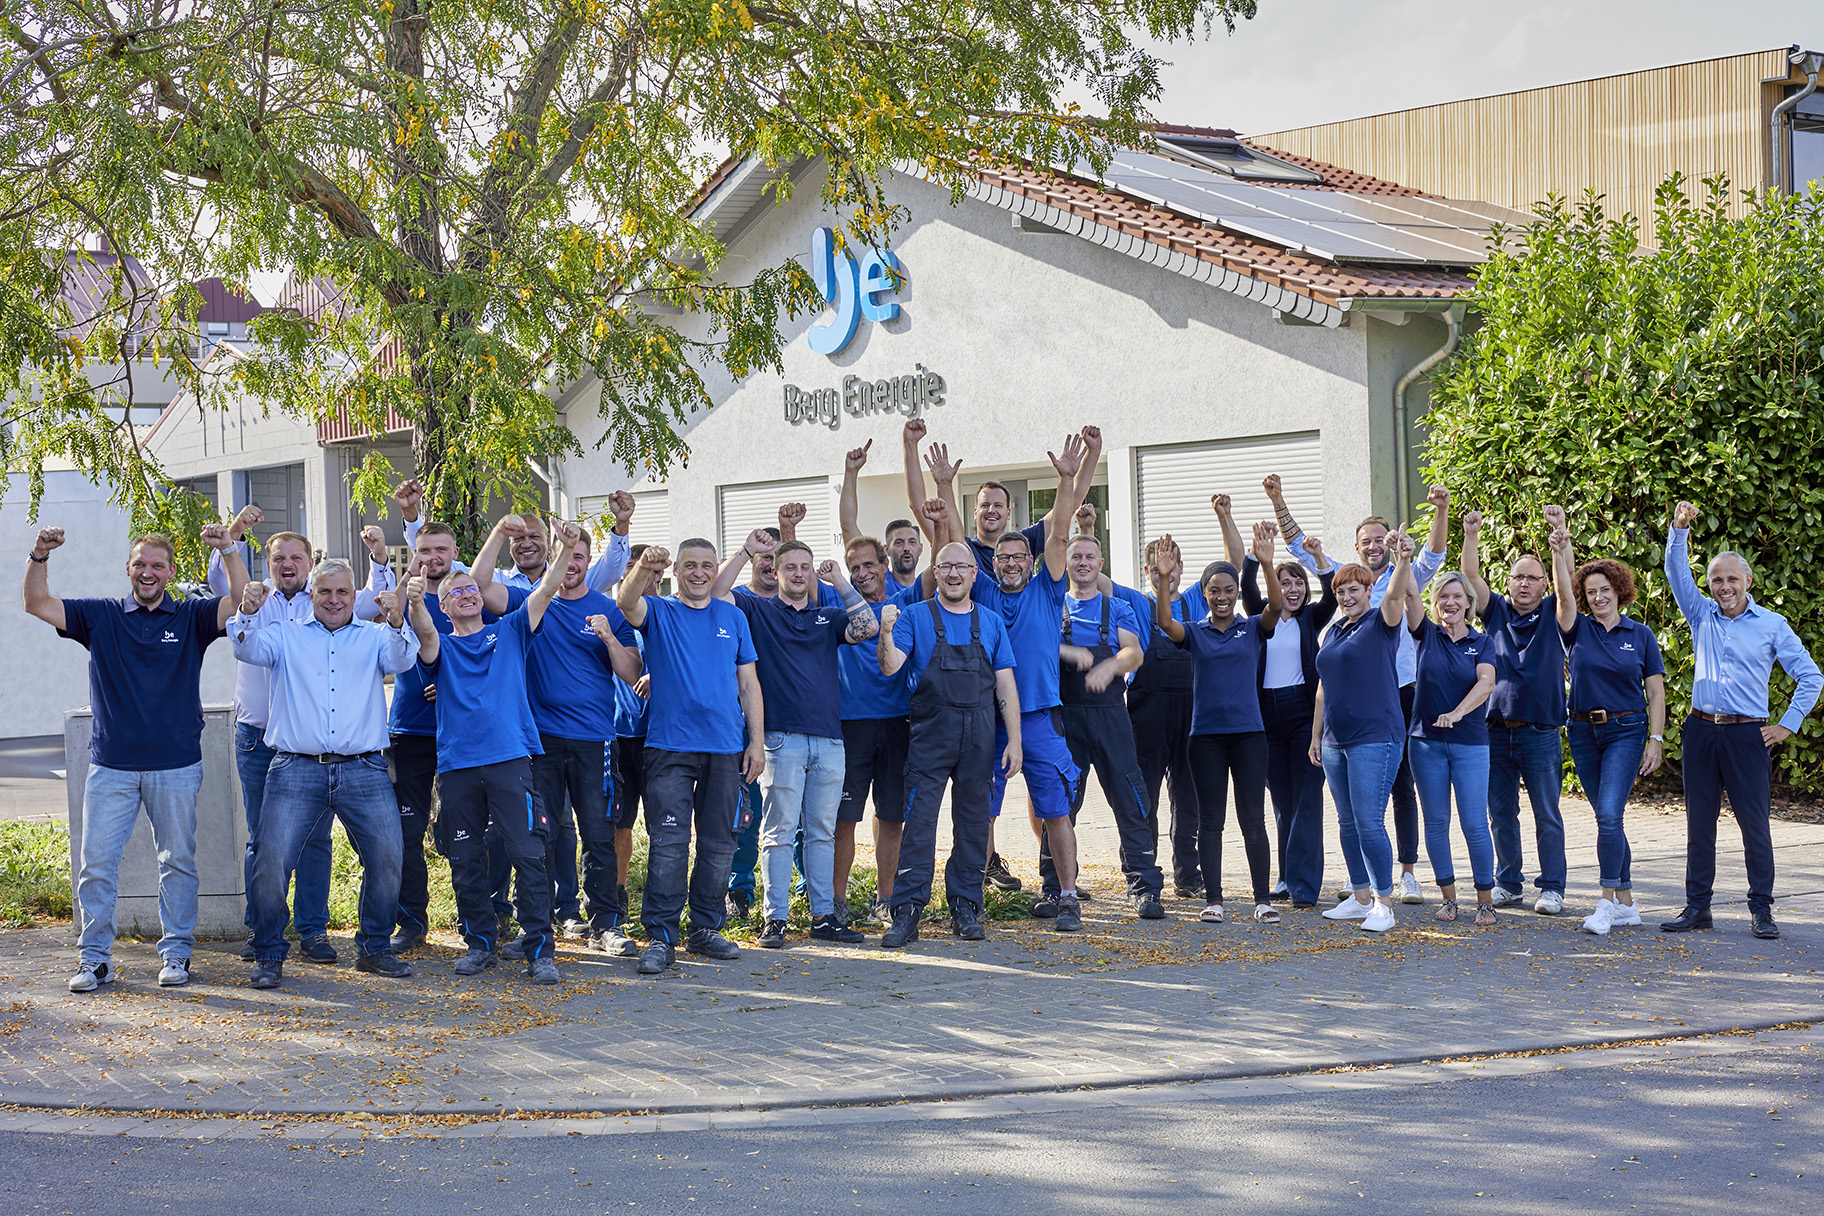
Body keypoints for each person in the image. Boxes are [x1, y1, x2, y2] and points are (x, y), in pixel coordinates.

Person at [26, 524, 249, 992]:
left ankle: (176, 954)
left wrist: (228, 549)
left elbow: (241, 603)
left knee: (177, 861)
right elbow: (37, 604)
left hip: (176, 763)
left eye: (157, 565)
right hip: (111, 765)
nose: (148, 572)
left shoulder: (191, 617)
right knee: (97, 864)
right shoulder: (101, 616)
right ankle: (95, 960)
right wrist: (40, 554)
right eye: (140, 564)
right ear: (128, 569)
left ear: (170, 572)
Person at [210, 509, 395, 965]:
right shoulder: (260, 600)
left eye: (297, 556)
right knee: (266, 845)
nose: (287, 564)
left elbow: (377, 601)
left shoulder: (337, 608)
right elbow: (229, 596)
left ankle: (313, 931)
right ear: (269, 564)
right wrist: (233, 541)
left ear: (310, 565)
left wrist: (379, 558)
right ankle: (264, 937)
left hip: (338, 753)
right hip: (265, 740)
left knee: (317, 842)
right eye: (278, 558)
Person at [405, 522, 582, 986]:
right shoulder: (439, 645)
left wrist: (563, 549)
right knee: (465, 859)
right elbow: (422, 631)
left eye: (470, 588)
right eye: (455, 592)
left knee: (529, 854)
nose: (466, 594)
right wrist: (415, 597)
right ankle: (481, 944)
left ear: (482, 596)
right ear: (444, 606)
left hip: (510, 761)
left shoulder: (511, 631)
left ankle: (540, 950)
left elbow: (545, 591)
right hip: (458, 768)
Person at [229, 560, 418, 989]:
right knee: (272, 860)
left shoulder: (374, 637)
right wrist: (248, 610)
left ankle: (373, 947)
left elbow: (404, 658)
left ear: (355, 596)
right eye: (325, 593)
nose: (334, 600)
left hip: (364, 768)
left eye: (342, 593)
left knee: (388, 857)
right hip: (295, 767)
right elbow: (245, 647)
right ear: (311, 597)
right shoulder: (285, 635)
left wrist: (395, 619)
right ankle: (269, 953)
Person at [1272, 478, 1450, 903]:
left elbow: (1434, 553)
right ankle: (1362, 890)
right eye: (1365, 541)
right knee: (1351, 815)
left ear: (1388, 543)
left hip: (1401, 691)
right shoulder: (1343, 603)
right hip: (1346, 711)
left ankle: (1405, 874)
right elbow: (1301, 548)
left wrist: (1438, 513)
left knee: (1402, 789)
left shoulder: (1398, 583)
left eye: (1378, 539)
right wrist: (1278, 499)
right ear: (1356, 549)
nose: (1372, 546)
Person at [474, 522, 645, 958]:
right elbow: (479, 585)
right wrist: (497, 534)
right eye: (565, 556)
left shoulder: (608, 609)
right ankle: (537, 929)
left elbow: (630, 672)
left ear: (590, 564)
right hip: (538, 741)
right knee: (537, 838)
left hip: (595, 740)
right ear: (553, 559)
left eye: (580, 558)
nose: (572, 565)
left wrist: (607, 635)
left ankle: (604, 923)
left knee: (598, 834)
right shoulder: (532, 602)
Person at [947, 433, 1092, 930]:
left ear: (1031, 564)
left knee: (1055, 811)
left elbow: (1058, 532)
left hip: (1038, 719)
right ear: (992, 564)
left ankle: (1067, 896)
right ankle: (972, 897)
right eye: (1002, 557)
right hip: (986, 720)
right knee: (978, 810)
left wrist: (1067, 479)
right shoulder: (983, 590)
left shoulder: (1049, 592)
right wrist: (946, 486)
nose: (1010, 562)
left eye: (1018, 557)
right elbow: (949, 534)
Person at [1660, 501, 1821, 940]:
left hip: (1749, 734)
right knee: (1699, 823)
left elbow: (1810, 676)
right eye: (1717, 580)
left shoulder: (1772, 625)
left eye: (1732, 578)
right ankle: (1698, 908)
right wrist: (1679, 531)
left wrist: (1787, 724)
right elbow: (1677, 574)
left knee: (1755, 824)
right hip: (1700, 730)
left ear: (1748, 581)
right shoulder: (1701, 615)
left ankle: (1762, 910)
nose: (1724, 586)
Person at [712, 532, 878, 949]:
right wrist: (747, 552)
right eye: (790, 567)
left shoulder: (827, 615)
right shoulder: (758, 609)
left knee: (822, 832)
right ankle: (776, 920)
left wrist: (840, 581)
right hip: (780, 740)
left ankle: (823, 917)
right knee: (778, 831)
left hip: (829, 740)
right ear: (776, 571)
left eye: (805, 567)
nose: (799, 574)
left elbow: (868, 626)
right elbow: (716, 594)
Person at [367, 515, 525, 951]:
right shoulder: (407, 595)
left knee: (492, 830)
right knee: (407, 829)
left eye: (441, 549)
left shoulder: (467, 594)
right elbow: (395, 631)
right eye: (424, 551)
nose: (433, 557)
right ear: (413, 556)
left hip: (470, 739)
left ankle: (492, 912)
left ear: (455, 553)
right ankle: (412, 921)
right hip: (412, 730)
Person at [616, 541, 765, 975]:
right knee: (669, 844)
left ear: (716, 569)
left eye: (707, 566)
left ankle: (705, 928)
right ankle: (661, 936)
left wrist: (755, 741)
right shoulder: (659, 611)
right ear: (677, 571)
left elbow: (749, 684)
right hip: (669, 747)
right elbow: (626, 602)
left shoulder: (733, 617)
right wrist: (644, 566)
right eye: (690, 566)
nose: (699, 573)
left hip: (725, 747)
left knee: (720, 843)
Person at [875, 540, 1022, 947]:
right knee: (918, 824)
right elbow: (889, 666)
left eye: (962, 567)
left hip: (979, 737)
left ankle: (964, 906)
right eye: (946, 567)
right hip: (929, 736)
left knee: (974, 825)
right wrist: (886, 631)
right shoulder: (914, 617)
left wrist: (1015, 740)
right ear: (935, 573)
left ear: (975, 574)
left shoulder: (991, 622)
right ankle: (906, 912)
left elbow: (1006, 682)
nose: (954, 574)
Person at [1150, 523, 1284, 925]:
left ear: (1236, 593)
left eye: (1228, 590)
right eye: (1214, 591)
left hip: (1249, 735)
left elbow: (1276, 609)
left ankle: (1262, 899)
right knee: (1210, 821)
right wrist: (1162, 579)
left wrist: (1267, 564)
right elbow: (1164, 623)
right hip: (1205, 737)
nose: (1222, 597)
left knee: (1253, 819)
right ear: (1205, 594)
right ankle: (1214, 900)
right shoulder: (1194, 631)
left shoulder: (1252, 628)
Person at [1221, 495, 1336, 909]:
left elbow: (1332, 596)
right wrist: (1257, 555)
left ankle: (1305, 888)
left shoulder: (1311, 618)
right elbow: (1249, 587)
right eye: (1285, 583)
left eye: (1297, 583)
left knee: (1307, 800)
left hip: (1304, 714)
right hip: (1266, 716)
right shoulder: (1262, 616)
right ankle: (1286, 879)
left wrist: (1319, 561)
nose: (1291, 589)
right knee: (1283, 802)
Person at [1550, 530, 1665, 936]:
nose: (1599, 597)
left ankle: (1604, 903)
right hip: (1582, 731)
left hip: (1627, 730)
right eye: (1591, 591)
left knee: (1610, 815)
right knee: (1606, 818)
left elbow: (1655, 691)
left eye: (1605, 590)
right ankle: (1628, 905)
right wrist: (1561, 550)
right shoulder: (1577, 629)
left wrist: (1656, 739)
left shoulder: (1641, 635)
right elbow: (1563, 592)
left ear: (1619, 591)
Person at [1461, 507, 1574, 914]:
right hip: (1494, 729)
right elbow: (1471, 577)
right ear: (1508, 583)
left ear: (1543, 585)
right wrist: (1470, 535)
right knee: (1499, 813)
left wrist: (1561, 543)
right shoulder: (1497, 612)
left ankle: (1552, 888)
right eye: (1518, 577)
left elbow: (1567, 590)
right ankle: (1509, 882)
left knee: (1547, 812)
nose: (1525, 583)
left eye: (1532, 577)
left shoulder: (1554, 614)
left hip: (1540, 731)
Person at [1308, 529, 1417, 934]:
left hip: (1376, 735)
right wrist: (1316, 736)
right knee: (1347, 821)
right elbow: (1323, 687)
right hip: (1336, 739)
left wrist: (1403, 559)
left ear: (1368, 589)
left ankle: (1384, 905)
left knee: (1370, 820)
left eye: (1354, 589)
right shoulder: (1334, 632)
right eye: (1340, 592)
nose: (1346, 597)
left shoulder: (1381, 622)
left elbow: (1395, 598)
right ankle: (1359, 898)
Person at [1059, 533, 1166, 918]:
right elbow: (1037, 646)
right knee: (1061, 803)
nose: (1083, 563)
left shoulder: (1116, 607)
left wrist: (1110, 665)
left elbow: (1134, 651)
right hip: (1067, 717)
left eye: (1090, 557)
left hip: (1110, 717)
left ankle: (1145, 888)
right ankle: (1055, 887)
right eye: (1076, 557)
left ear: (1100, 564)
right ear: (1067, 563)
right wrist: (1066, 651)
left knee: (1130, 799)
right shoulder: (1055, 607)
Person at [1108, 535, 1206, 899]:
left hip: (1191, 715)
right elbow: (1095, 579)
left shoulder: (1198, 598)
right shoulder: (1136, 602)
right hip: (1147, 717)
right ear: (1147, 570)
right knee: (1141, 797)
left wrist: (1225, 518)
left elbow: (1235, 562)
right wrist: (1086, 527)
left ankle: (1189, 875)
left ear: (1181, 567)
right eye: (1157, 564)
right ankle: (1141, 871)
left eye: (1173, 562)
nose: (1166, 568)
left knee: (1188, 799)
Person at [835, 535, 922, 924]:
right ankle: (835, 902)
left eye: (869, 565)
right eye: (854, 567)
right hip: (850, 723)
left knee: (891, 816)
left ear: (885, 564)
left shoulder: (905, 600)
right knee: (844, 817)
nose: (861, 573)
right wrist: (789, 530)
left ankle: (885, 899)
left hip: (898, 721)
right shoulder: (839, 602)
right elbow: (794, 571)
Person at [1404, 569, 1498, 926]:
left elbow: (1486, 683)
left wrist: (1457, 712)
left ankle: (1485, 902)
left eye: (1458, 596)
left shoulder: (1482, 642)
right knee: (1437, 822)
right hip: (1425, 744)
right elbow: (1410, 594)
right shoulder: (1426, 633)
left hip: (1470, 743)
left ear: (1469, 603)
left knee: (1475, 824)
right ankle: (1448, 899)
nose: (1450, 602)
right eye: (1444, 596)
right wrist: (1404, 557)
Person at [608, 545, 662, 951]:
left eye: (650, 573)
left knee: (666, 826)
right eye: (632, 571)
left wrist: (658, 676)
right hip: (616, 735)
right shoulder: (608, 617)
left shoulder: (672, 614)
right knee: (619, 823)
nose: (644, 578)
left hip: (662, 736)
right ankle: (618, 893)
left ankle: (661, 901)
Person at [838, 437, 925, 591]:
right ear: (886, 551)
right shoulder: (876, 580)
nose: (906, 548)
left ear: (920, 548)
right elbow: (848, 525)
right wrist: (851, 472)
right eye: (898, 542)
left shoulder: (927, 588)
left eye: (912, 542)